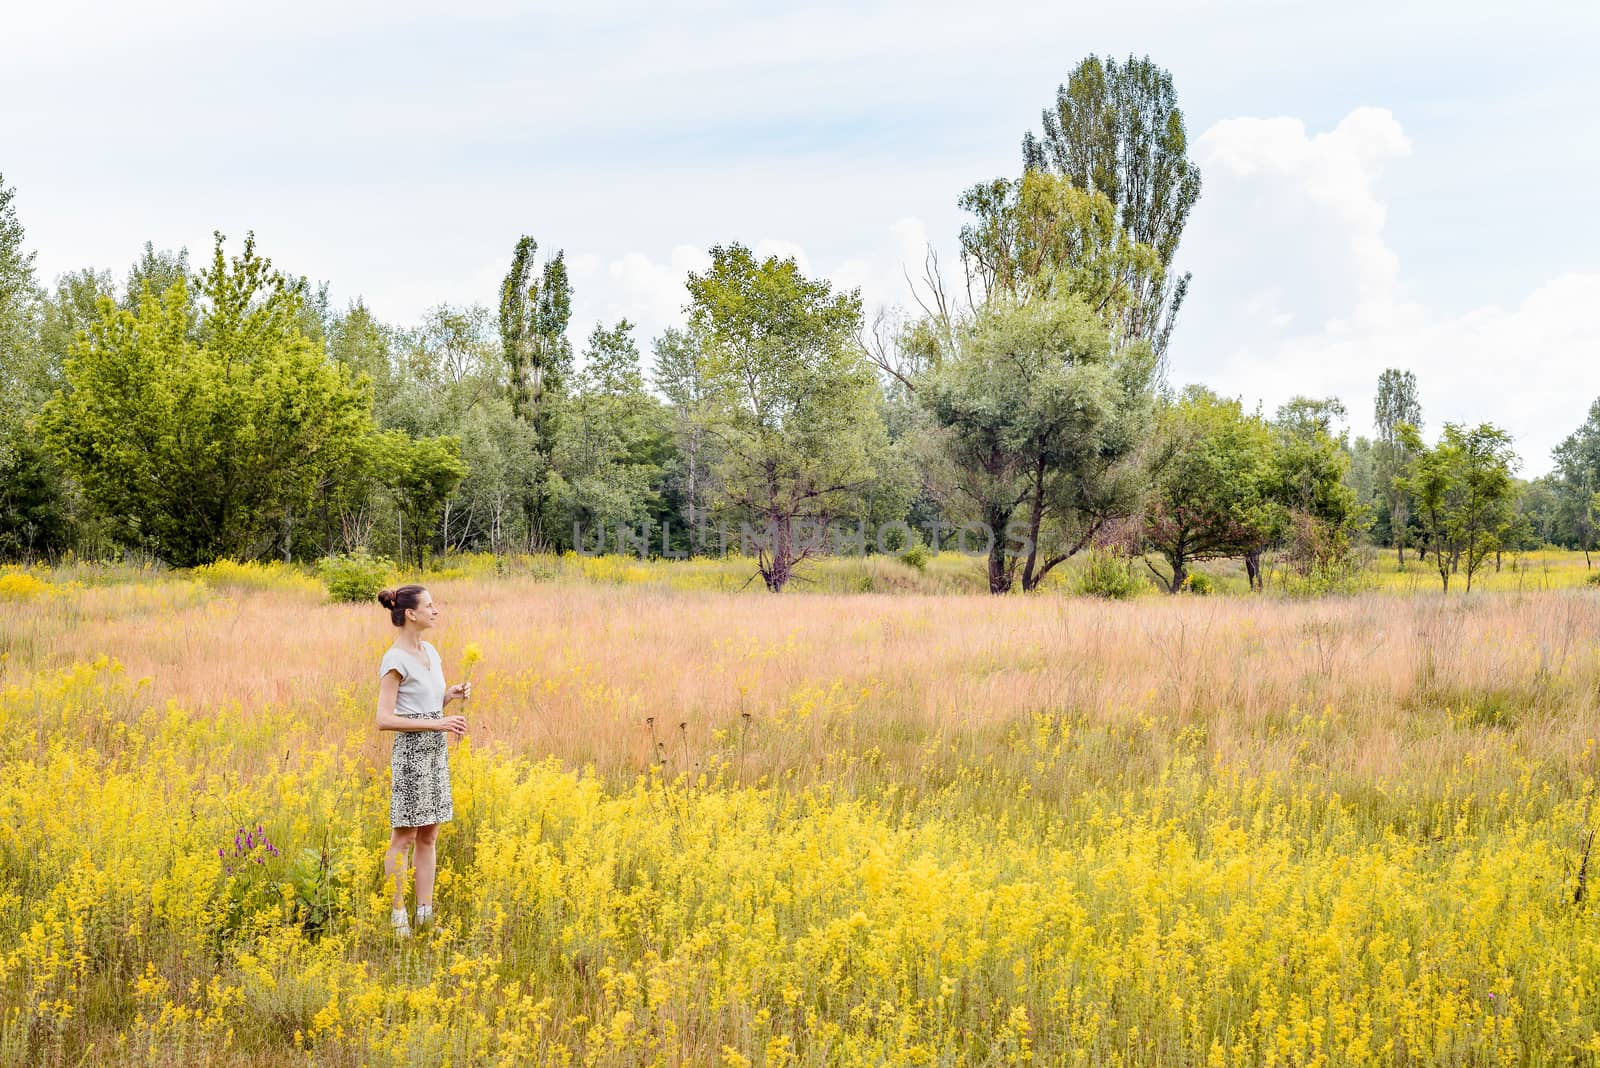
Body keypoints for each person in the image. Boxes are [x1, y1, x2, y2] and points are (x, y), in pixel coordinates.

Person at [374, 584, 469, 937]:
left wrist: (448, 696)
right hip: (412, 755)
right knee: (404, 838)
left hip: (435, 753)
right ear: (411, 614)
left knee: (429, 835)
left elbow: (424, 706)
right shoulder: (394, 660)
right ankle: (399, 921)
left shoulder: (431, 651)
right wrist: (438, 723)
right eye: (430, 605)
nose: (436, 610)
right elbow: (385, 719)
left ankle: (425, 917)